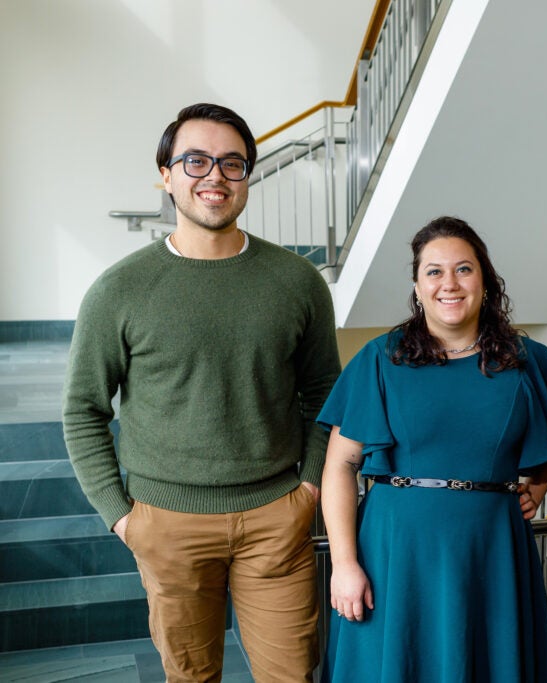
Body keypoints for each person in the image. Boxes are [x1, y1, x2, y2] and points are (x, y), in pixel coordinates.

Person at [62, 103, 341, 682]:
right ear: (165, 174)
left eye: (232, 163)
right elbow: (84, 410)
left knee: (292, 674)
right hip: (166, 522)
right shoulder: (118, 290)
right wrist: (121, 517)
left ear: (248, 177)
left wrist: (310, 486)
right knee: (190, 678)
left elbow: (325, 396)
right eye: (195, 161)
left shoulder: (298, 283)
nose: (214, 175)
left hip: (276, 517)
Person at [316, 216, 547, 683]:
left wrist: (538, 486)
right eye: (433, 271)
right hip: (395, 552)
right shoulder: (381, 357)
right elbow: (339, 465)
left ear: (486, 281)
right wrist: (345, 564)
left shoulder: (527, 358)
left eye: (463, 269)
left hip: (491, 548)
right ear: (417, 286)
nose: (448, 284)